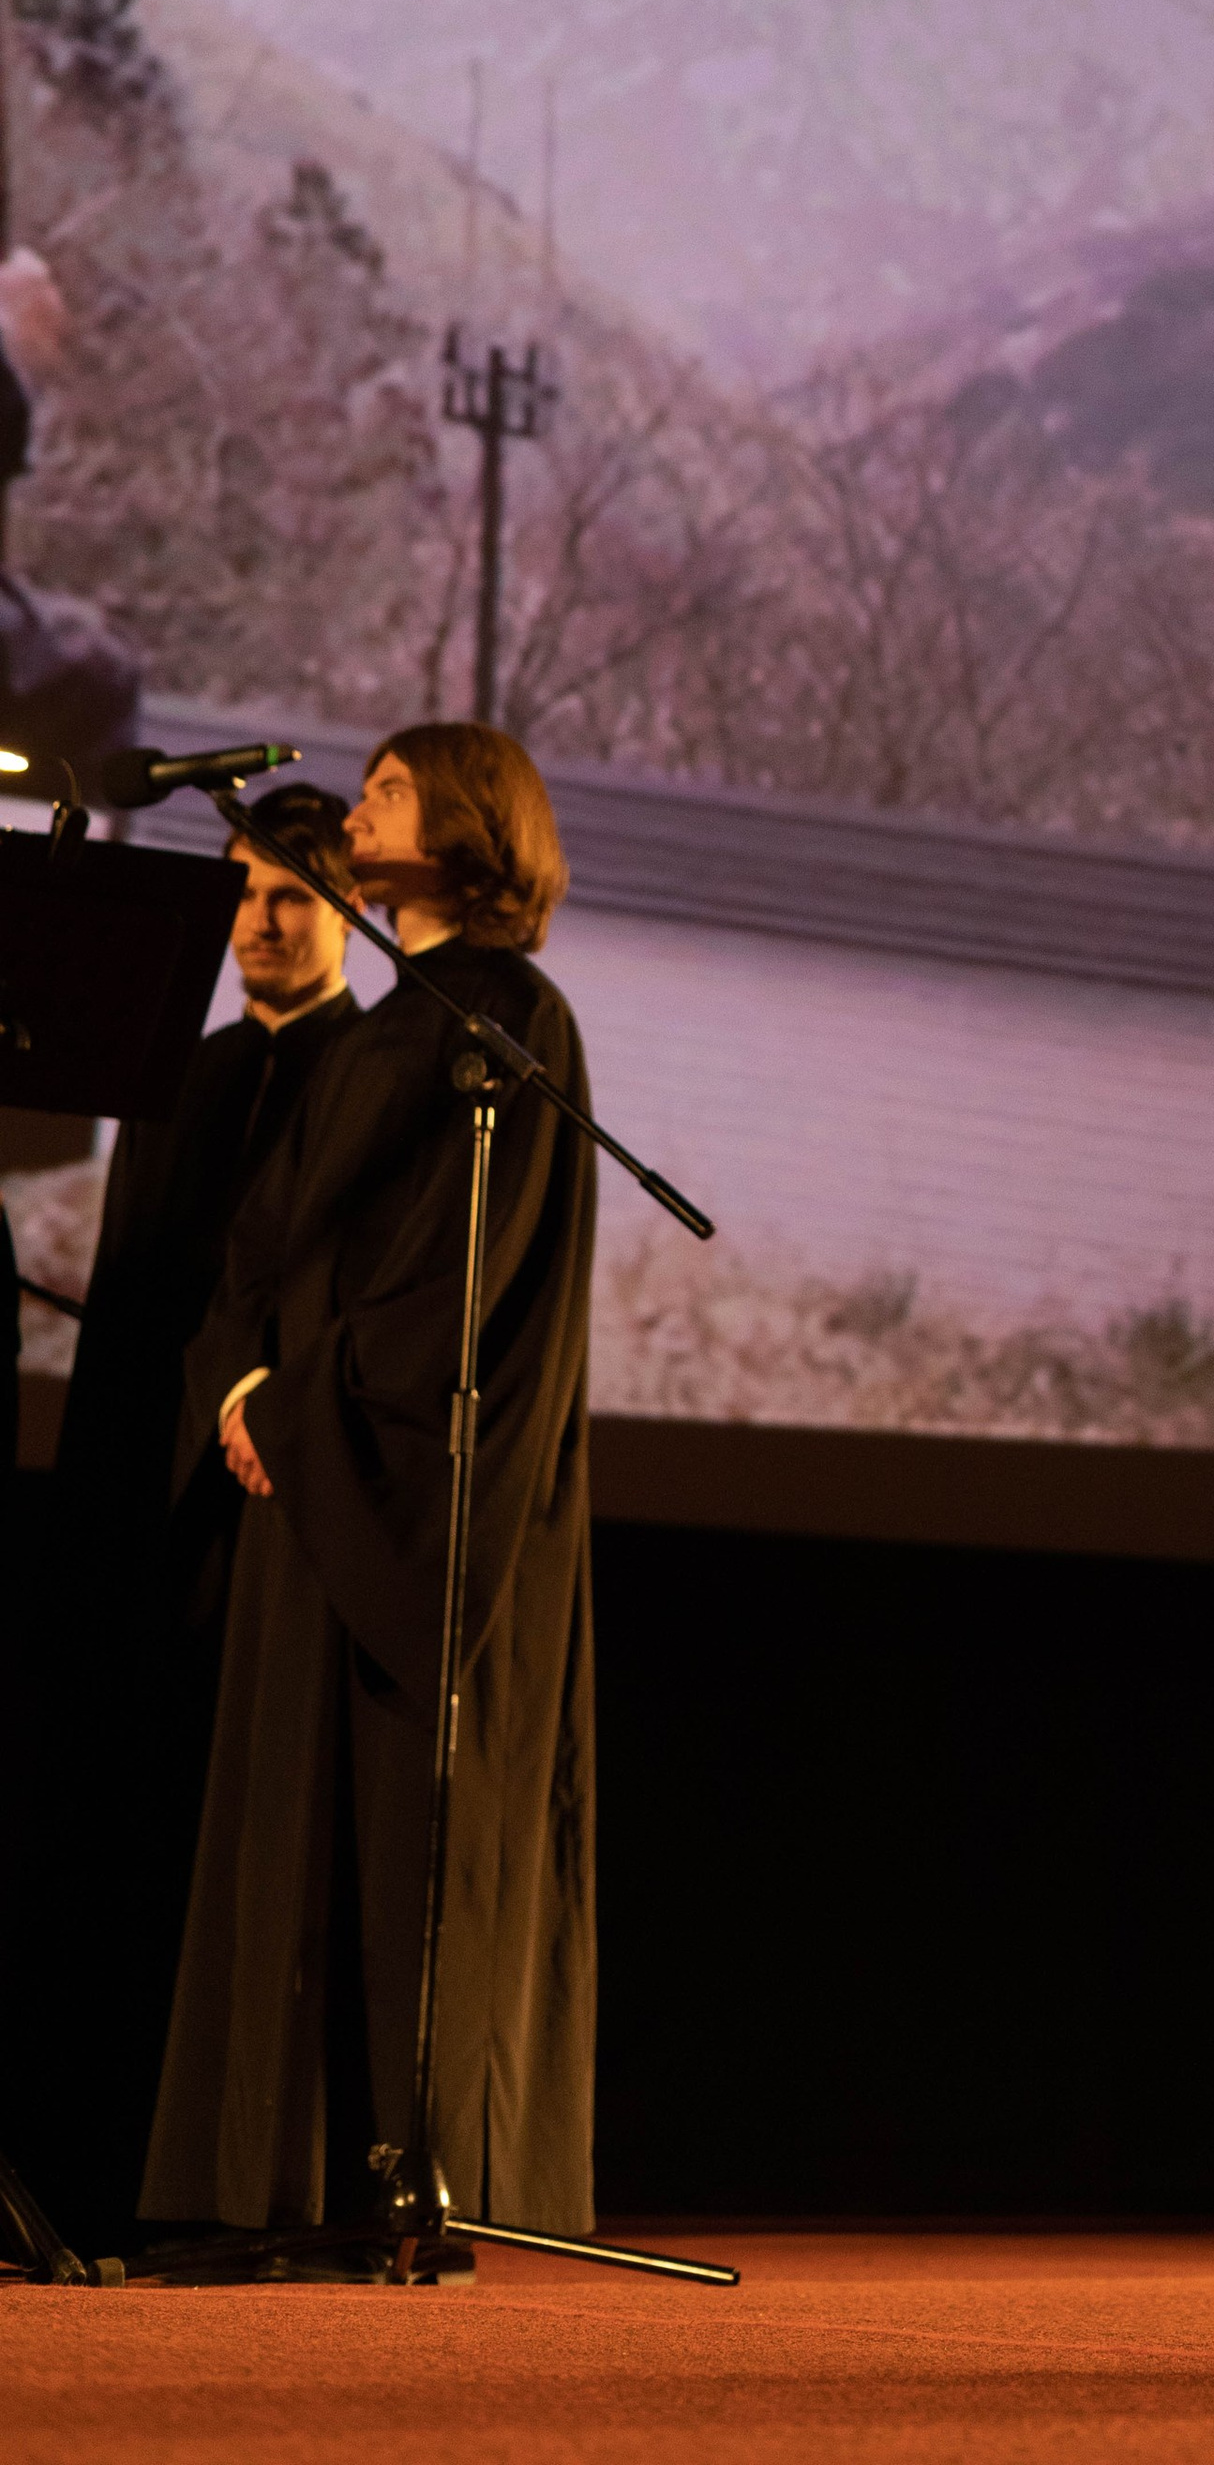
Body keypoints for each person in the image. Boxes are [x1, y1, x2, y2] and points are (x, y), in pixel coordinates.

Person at [141, 724, 598, 2270]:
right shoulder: (389, 1025)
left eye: (391, 790)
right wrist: (240, 1386)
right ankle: (271, 2183)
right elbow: (265, 1244)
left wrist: (302, 1403)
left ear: (466, 822)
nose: (361, 811)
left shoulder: (509, 1024)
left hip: (401, 1489)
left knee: (404, 1836)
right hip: (304, 1472)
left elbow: (454, 1286)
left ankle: (402, 2180)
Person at [34, 786, 365, 2245]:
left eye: (291, 896)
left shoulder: (364, 1071)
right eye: (242, 894)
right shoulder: (191, 1068)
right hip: (141, 1511)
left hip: (264, 1510)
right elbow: (129, 1298)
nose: (258, 925)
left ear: (349, 909)